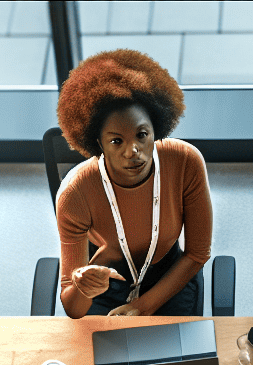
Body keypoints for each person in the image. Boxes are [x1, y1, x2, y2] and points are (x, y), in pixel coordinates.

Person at [55, 49, 212, 318]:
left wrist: (141, 306)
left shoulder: (186, 162)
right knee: (99, 357)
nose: (133, 151)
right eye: (117, 141)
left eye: (142, 135)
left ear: (156, 129)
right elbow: (72, 309)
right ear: (98, 144)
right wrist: (84, 288)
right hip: (106, 280)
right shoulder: (75, 192)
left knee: (177, 358)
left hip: (170, 276)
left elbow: (197, 254)